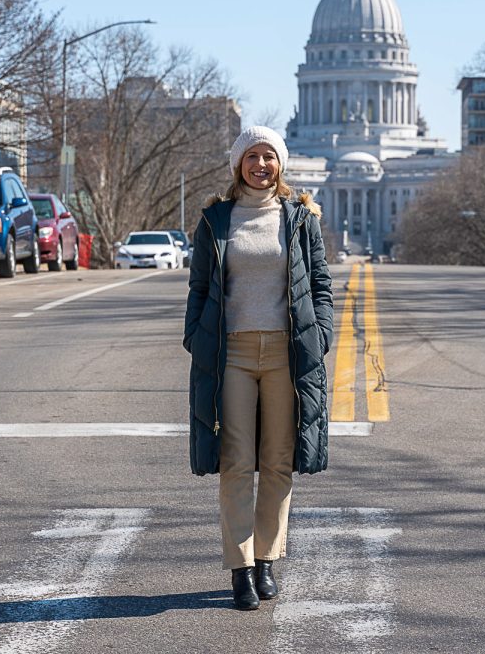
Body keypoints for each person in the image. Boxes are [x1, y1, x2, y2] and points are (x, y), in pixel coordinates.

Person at [183, 125, 333, 611]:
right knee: (235, 461)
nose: (261, 165)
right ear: (238, 164)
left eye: (269, 156)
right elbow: (199, 287)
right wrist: (195, 338)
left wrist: (320, 336)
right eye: (252, 156)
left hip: (287, 354)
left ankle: (267, 558)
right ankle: (241, 568)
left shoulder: (300, 218)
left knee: (277, 460)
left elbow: (321, 284)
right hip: (233, 354)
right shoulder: (215, 220)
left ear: (280, 164)